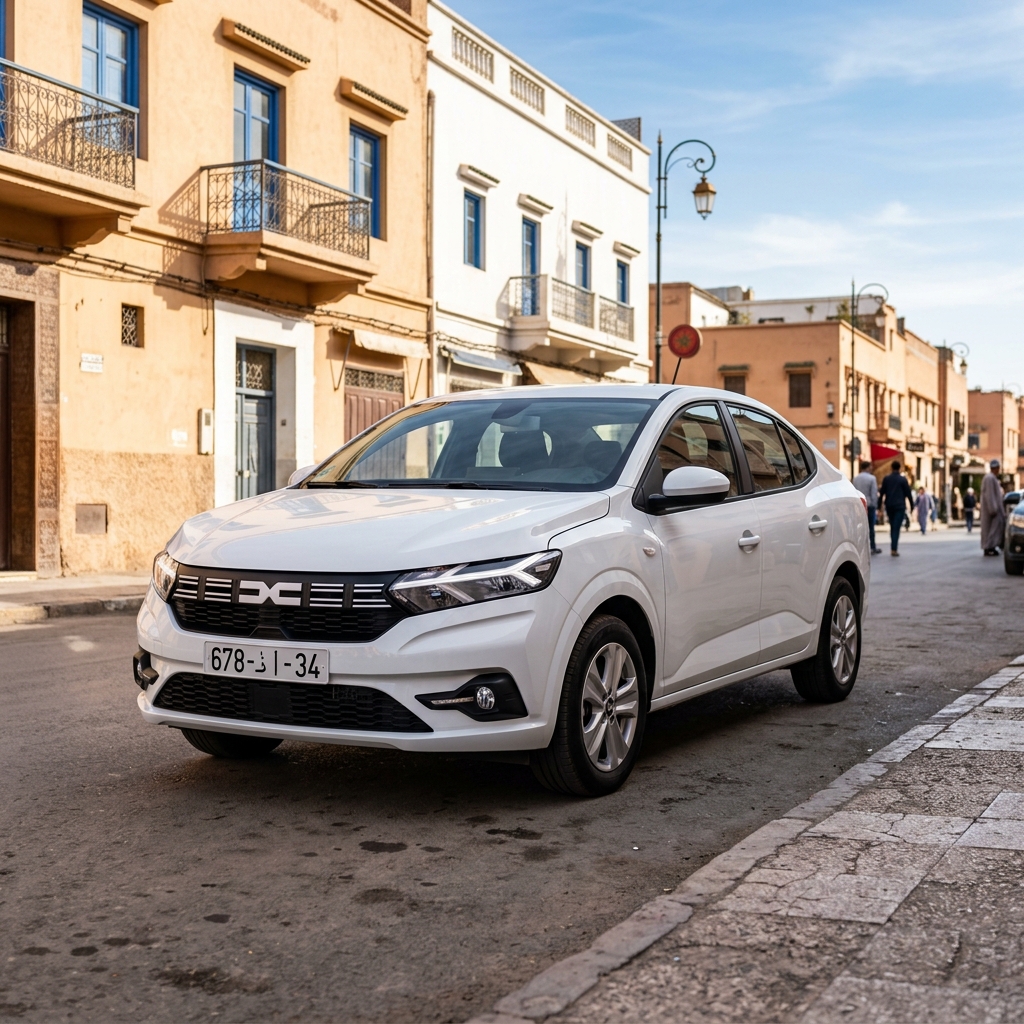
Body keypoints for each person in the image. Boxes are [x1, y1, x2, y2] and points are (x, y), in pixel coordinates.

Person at [879, 460, 913, 556]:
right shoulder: (903, 479)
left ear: (891, 468)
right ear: (899, 468)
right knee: (896, 527)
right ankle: (894, 548)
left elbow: (882, 493)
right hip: (900, 506)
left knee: (893, 526)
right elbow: (908, 494)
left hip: (889, 505)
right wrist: (912, 506)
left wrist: (879, 506)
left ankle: (893, 547)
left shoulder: (887, 479)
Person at [853, 462, 881, 554]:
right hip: (869, 505)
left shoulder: (856, 479)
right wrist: (875, 505)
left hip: (858, 504)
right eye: (870, 466)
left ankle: (860, 547)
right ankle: (872, 546)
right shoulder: (872, 478)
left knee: (859, 527)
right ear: (868, 467)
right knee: (870, 527)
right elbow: (874, 493)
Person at [980, 460, 1007, 556]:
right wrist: (993, 509)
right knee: (990, 529)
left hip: (995, 510)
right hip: (992, 511)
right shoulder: (989, 478)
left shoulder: (993, 478)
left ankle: (991, 546)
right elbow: (990, 495)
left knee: (994, 529)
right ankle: (989, 546)